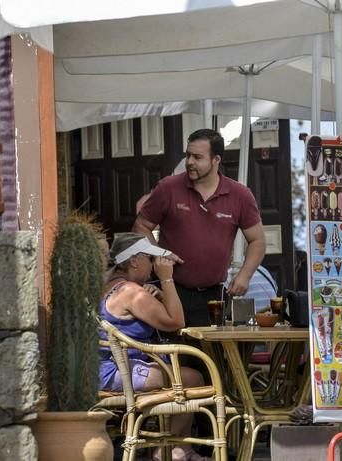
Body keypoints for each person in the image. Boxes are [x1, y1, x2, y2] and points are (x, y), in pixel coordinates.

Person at [133, 128, 266, 326]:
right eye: (188, 155)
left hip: (215, 295)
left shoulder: (240, 195)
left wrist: (245, 275)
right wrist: (159, 253)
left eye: (197, 157)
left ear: (216, 160)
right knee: (176, 354)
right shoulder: (168, 187)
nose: (189, 162)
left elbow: (258, 241)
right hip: (170, 290)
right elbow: (140, 226)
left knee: (213, 356)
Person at [98, 232, 209, 461]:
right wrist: (167, 279)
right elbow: (176, 322)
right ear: (133, 261)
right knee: (193, 378)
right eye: (149, 259)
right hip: (117, 373)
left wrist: (157, 296)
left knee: (183, 374)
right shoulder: (131, 292)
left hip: (103, 369)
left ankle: (179, 449)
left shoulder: (113, 286)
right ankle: (168, 450)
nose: (152, 266)